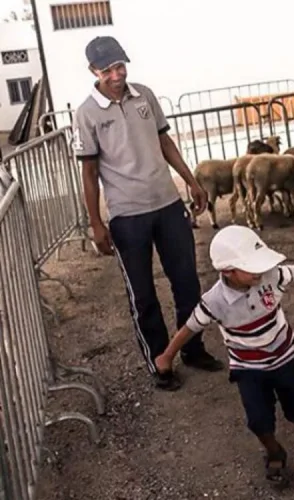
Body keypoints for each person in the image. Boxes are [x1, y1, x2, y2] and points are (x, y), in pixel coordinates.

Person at [72, 35, 223, 391]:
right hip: (127, 215)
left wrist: (191, 182)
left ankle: (193, 348)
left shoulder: (145, 95)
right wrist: (96, 222)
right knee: (143, 295)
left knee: (187, 281)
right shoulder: (87, 113)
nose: (116, 74)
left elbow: (164, 141)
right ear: (93, 71)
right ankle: (160, 360)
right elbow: (89, 172)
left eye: (120, 65)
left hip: (168, 204)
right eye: (107, 69)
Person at [154, 224, 294, 489]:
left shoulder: (270, 275)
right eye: (251, 267)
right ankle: (274, 451)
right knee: (258, 419)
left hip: (286, 356)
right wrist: (167, 356)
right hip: (248, 368)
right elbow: (190, 327)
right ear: (227, 271)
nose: (259, 271)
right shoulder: (214, 301)